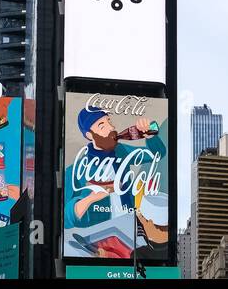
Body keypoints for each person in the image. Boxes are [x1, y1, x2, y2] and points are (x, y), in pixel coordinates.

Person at [64, 105, 167, 253]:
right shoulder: (75, 170)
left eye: (109, 121)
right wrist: (91, 199)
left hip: (131, 228)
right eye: (102, 125)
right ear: (89, 135)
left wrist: (150, 135)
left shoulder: (121, 151)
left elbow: (157, 154)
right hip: (98, 238)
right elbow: (67, 219)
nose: (110, 128)